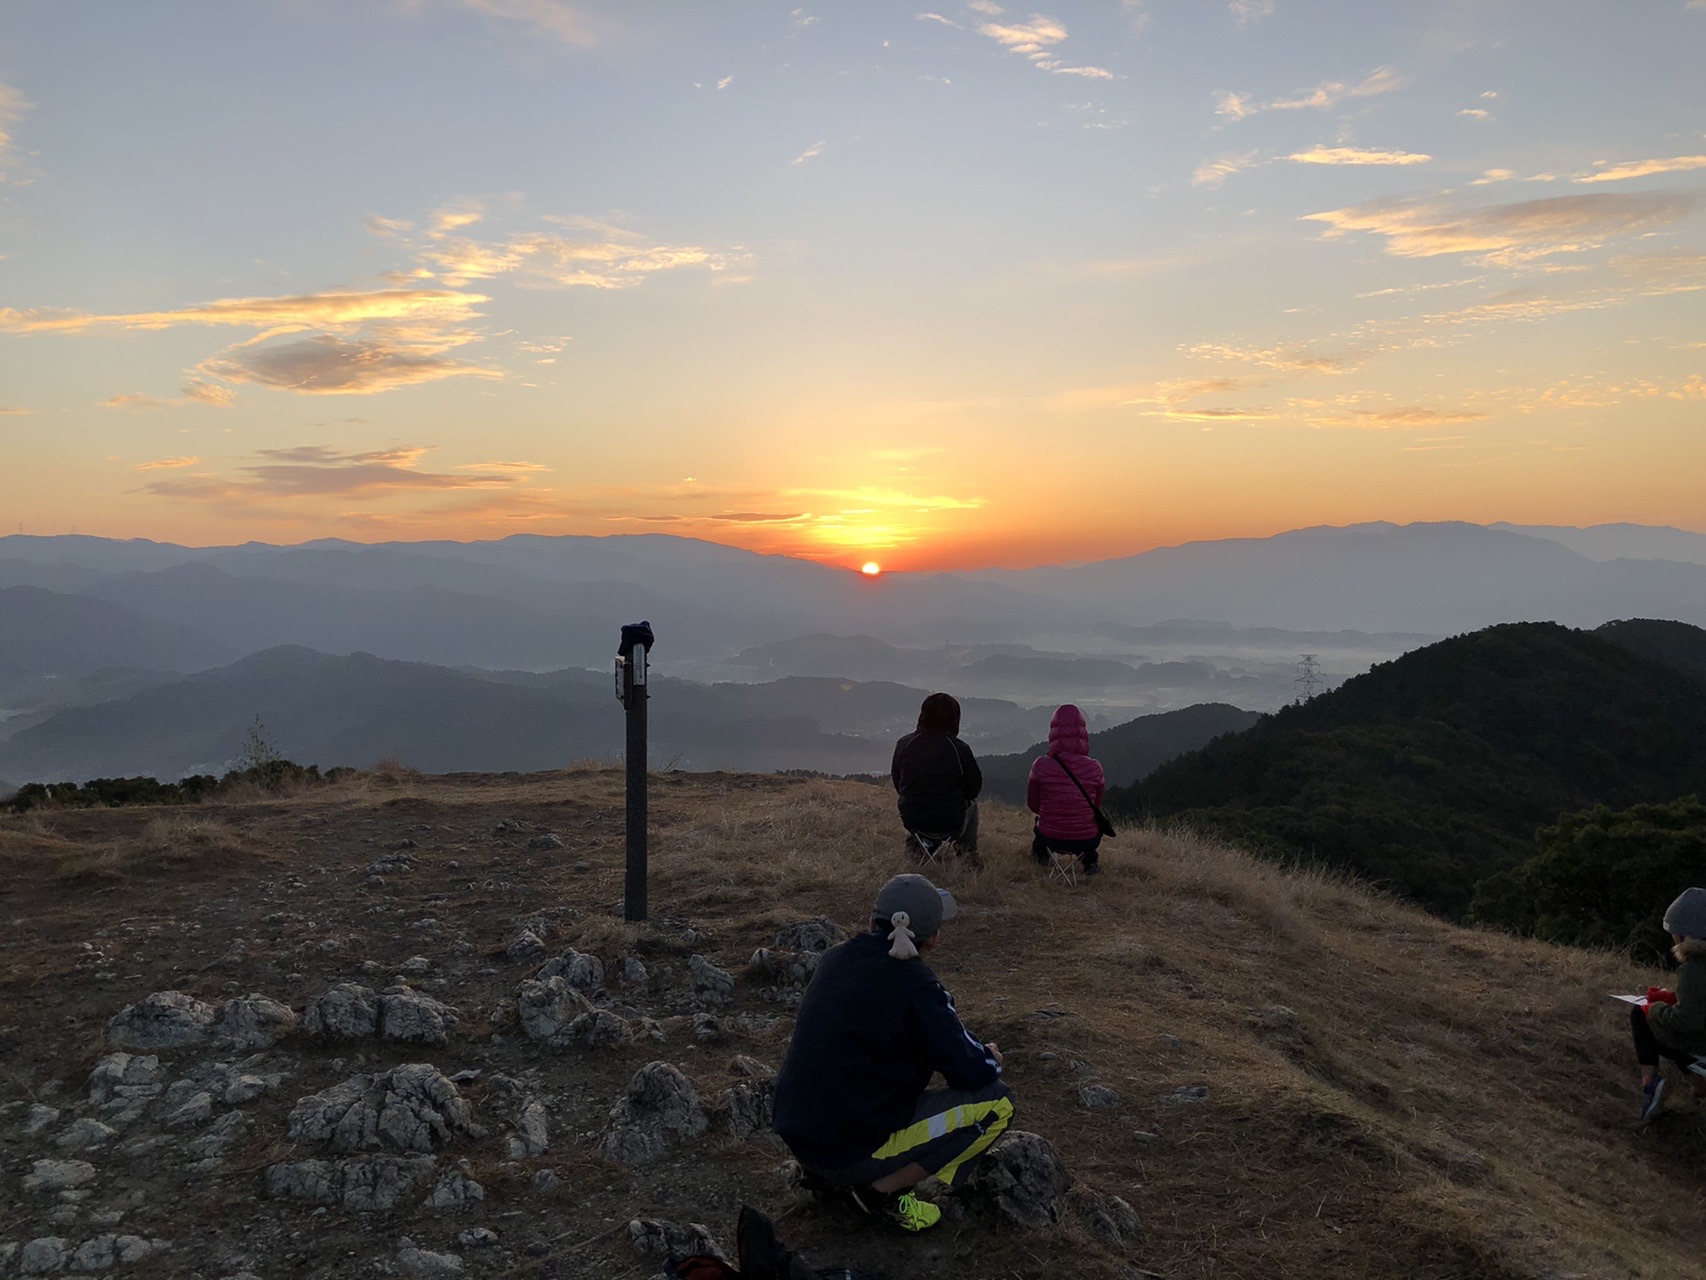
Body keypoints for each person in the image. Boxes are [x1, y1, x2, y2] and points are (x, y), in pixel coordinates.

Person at [771, 874, 1013, 1232]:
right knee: (998, 1104)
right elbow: (972, 1070)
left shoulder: (835, 958)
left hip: (801, 1136)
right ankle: (877, 1192)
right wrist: (991, 1056)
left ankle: (832, 1179)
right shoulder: (918, 986)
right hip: (848, 1151)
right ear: (932, 938)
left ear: (872, 922)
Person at [1634, 886, 1706, 1121]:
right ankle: (1696, 1082)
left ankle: (1650, 1085)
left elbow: (1687, 1020)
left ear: (1684, 934)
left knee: (1641, 1015)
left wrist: (1655, 1008)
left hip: (1701, 1041)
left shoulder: (1694, 969)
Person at [891, 692, 982, 860]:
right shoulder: (959, 749)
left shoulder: (904, 744)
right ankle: (968, 854)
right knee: (973, 805)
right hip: (951, 824)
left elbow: (899, 783)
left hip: (913, 820)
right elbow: (973, 789)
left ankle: (919, 844)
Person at [1026, 703, 1107, 875]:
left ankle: (1040, 857)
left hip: (1050, 837)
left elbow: (1033, 805)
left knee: (1039, 827)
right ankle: (1090, 862)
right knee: (1089, 829)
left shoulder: (1040, 765)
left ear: (1053, 732)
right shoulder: (1095, 767)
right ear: (1083, 733)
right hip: (1086, 840)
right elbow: (1097, 806)